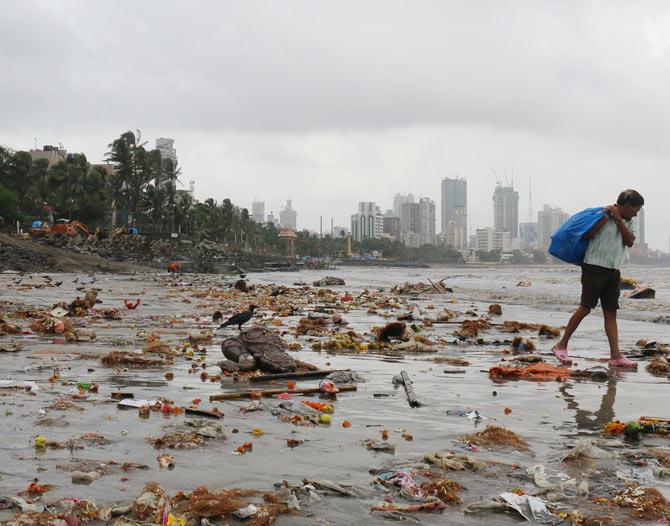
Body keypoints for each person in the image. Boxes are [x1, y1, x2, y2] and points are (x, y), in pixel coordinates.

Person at [552, 189, 644, 368]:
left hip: (612, 270)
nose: (636, 213)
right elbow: (585, 234)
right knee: (586, 307)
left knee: (611, 313)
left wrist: (619, 220)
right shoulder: (601, 215)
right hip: (593, 267)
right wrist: (607, 217)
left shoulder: (627, 221)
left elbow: (630, 241)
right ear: (625, 205)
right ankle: (561, 345)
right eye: (635, 209)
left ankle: (615, 356)